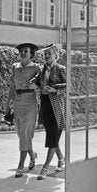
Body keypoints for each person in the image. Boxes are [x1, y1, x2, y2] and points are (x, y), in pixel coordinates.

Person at [5, 42, 41, 178]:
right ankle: (32, 155)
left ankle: (21, 166)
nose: (23, 53)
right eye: (21, 51)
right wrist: (7, 105)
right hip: (17, 102)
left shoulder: (37, 68)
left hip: (30, 103)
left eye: (26, 51)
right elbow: (12, 88)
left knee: (26, 133)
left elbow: (42, 85)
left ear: (31, 53)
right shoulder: (15, 67)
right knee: (21, 134)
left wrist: (36, 87)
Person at [33, 43, 67, 180]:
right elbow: (36, 82)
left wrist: (55, 89)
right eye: (45, 54)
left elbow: (68, 85)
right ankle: (61, 159)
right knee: (52, 135)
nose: (46, 56)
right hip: (45, 105)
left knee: (52, 136)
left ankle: (45, 167)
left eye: (49, 54)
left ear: (56, 55)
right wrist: (31, 85)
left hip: (56, 106)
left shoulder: (61, 69)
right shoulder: (42, 70)